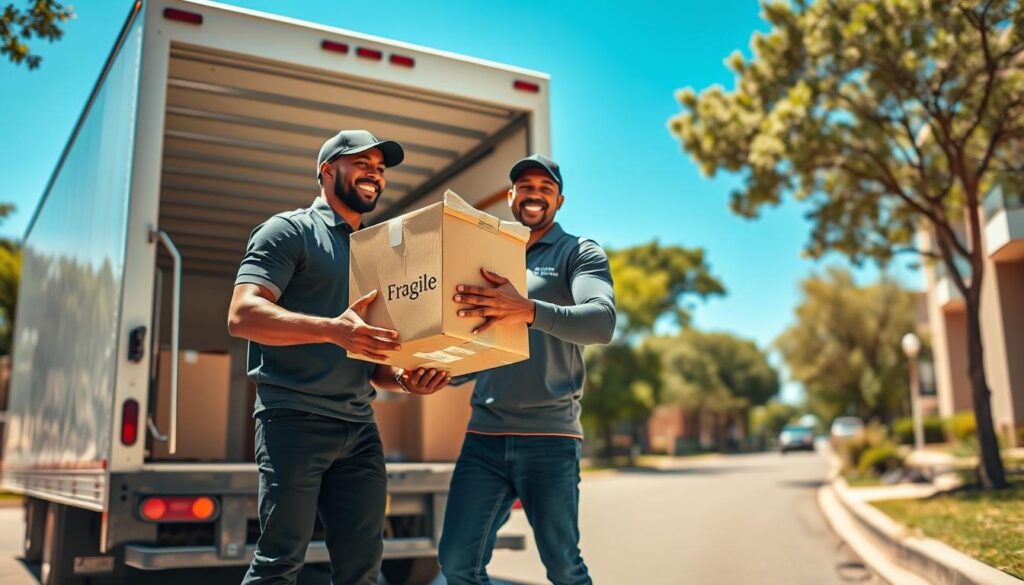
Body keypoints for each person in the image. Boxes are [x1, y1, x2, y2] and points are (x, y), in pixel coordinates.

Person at [227, 130, 451, 585]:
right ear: (328, 171)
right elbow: (242, 314)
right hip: (292, 419)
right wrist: (332, 329)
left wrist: (406, 380)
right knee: (279, 563)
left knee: (363, 570)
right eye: (361, 163)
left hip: (359, 429)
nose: (374, 173)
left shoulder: (378, 253)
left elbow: (371, 358)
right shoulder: (288, 231)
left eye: (381, 168)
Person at [438, 154, 616, 585]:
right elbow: (475, 339)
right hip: (484, 438)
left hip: (550, 438)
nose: (534, 193)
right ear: (511, 195)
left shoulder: (578, 251)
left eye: (545, 187)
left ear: (559, 199)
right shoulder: (488, 254)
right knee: (457, 564)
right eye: (525, 185)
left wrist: (529, 309)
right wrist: (441, 373)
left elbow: (601, 321)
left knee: (563, 568)